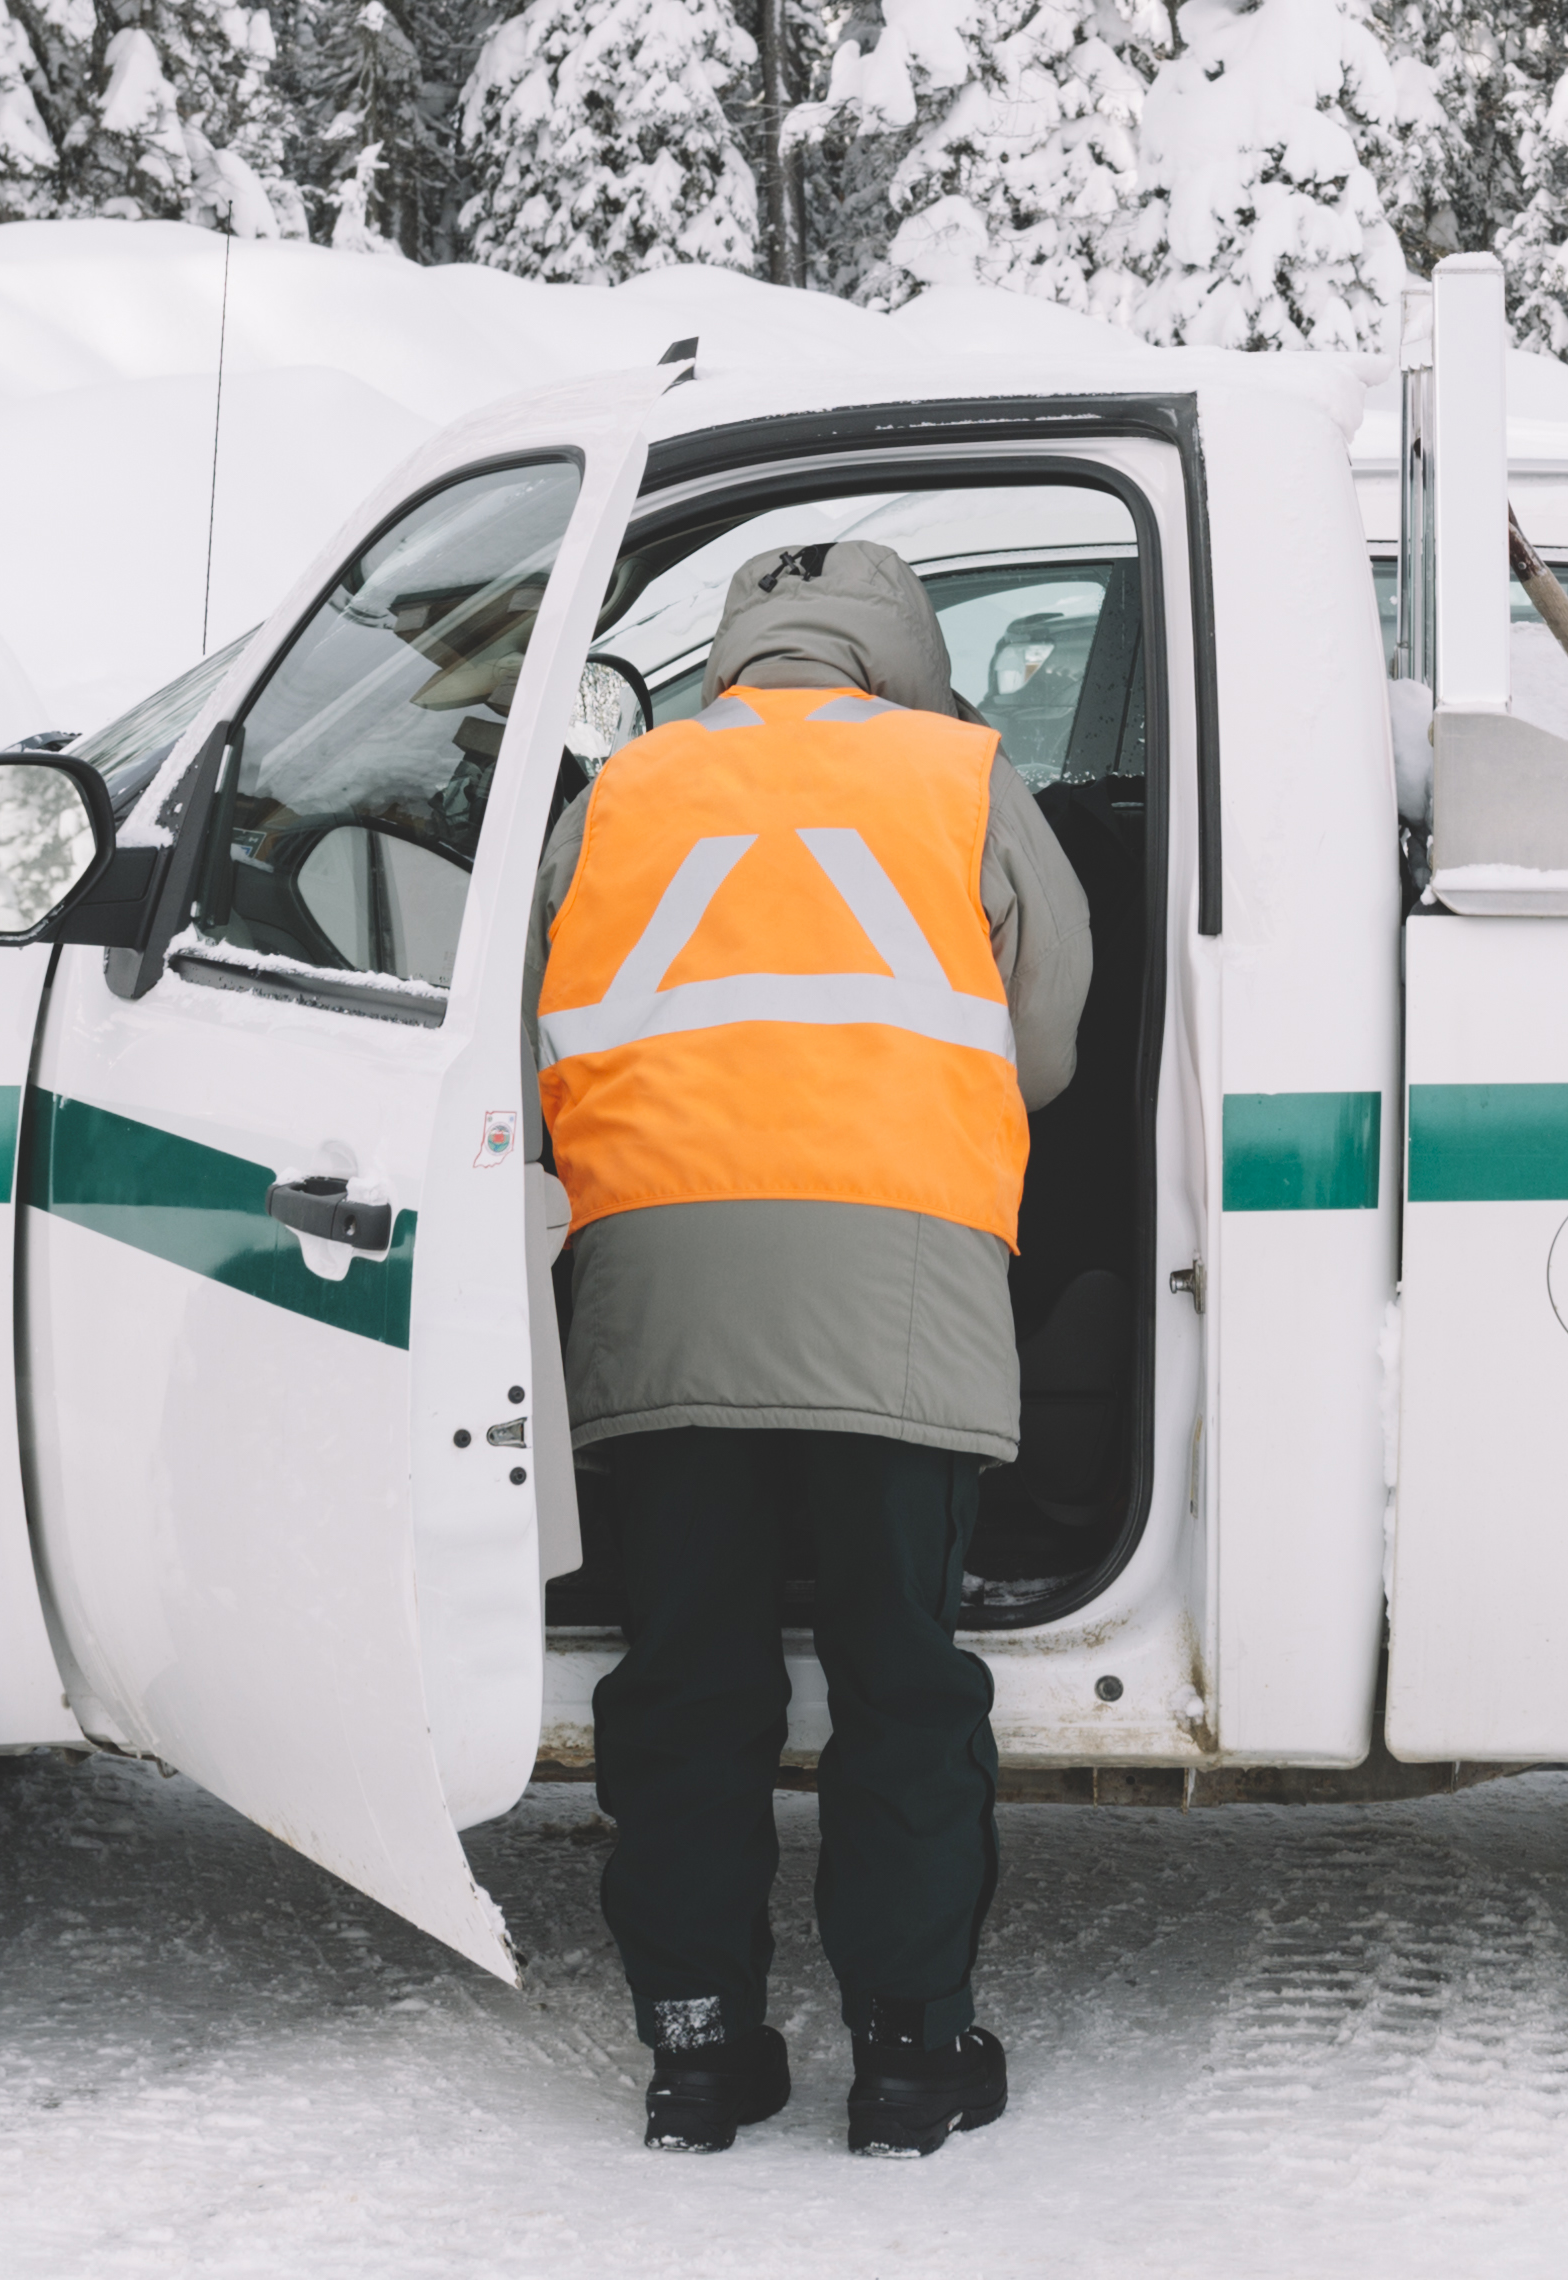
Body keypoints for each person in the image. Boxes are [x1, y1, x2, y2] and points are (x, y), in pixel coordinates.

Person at [529, 538, 1093, 2159]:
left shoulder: (617, 796)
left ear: (734, 651)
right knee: (900, 1685)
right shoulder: (961, 778)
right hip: (899, 1306)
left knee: (690, 1683)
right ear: (899, 654)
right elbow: (1045, 1047)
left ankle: (699, 2054)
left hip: (657, 1300)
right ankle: (912, 2057)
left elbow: (533, 1043)